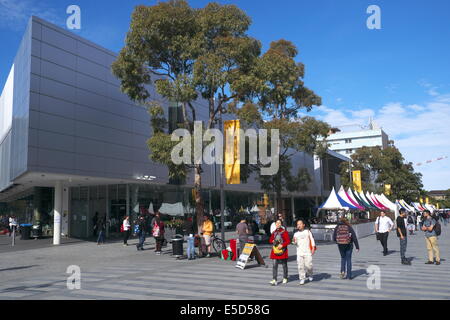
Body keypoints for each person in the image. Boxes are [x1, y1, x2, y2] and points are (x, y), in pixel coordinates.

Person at [292, 219, 316, 285]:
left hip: (307, 252)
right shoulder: (295, 234)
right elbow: (294, 242)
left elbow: (312, 239)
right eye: (297, 224)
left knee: (309, 266)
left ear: (303, 225)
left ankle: (310, 274)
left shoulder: (307, 232)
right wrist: (294, 242)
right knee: (300, 266)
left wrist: (313, 247)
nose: (299, 225)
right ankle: (302, 278)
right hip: (299, 252)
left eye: (300, 224)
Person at [269, 219, 290, 286]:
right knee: (274, 265)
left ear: (281, 224)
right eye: (276, 223)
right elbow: (270, 240)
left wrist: (282, 245)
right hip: (275, 251)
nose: (278, 224)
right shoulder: (274, 232)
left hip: (282, 251)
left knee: (284, 265)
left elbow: (288, 241)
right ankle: (274, 279)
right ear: (275, 224)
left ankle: (285, 277)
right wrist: (272, 241)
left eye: (279, 223)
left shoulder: (284, 232)